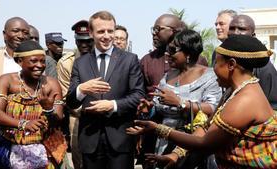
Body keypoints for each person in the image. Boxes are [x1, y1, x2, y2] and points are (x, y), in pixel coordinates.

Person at [127, 34, 277, 169]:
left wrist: (158, 129)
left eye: (216, 63)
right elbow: (206, 127)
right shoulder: (234, 91)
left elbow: (205, 144)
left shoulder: (245, 99)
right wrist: (175, 154)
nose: (213, 69)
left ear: (231, 65)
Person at [66, 10, 145, 169]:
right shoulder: (80, 63)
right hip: (90, 140)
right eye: (101, 31)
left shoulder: (130, 60)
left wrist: (113, 105)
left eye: (110, 31)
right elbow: (71, 102)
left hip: (120, 139)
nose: (107, 36)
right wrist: (82, 89)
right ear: (91, 32)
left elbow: (138, 95)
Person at [138, 30, 221, 168]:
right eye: (166, 49)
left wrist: (181, 103)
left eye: (172, 50)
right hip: (164, 140)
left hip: (193, 141)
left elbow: (212, 108)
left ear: (188, 53)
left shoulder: (209, 76)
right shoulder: (168, 76)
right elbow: (159, 104)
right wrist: (149, 108)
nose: (167, 54)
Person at [0, 40, 65, 168]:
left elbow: (58, 119)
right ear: (19, 61)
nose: (39, 65)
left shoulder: (51, 84)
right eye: (33, 61)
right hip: (9, 149)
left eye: (42, 61)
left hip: (43, 151)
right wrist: (23, 124)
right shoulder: (7, 81)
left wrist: (48, 109)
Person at [57, 19, 93, 169]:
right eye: (80, 41)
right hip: (77, 117)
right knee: (79, 160)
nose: (84, 45)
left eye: (88, 41)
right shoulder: (67, 63)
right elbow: (66, 95)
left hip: (104, 115)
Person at [228, 14, 277, 110]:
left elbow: (272, 106)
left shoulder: (264, 67)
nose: (235, 32)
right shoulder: (222, 58)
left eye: (241, 29)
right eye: (232, 28)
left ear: (253, 35)